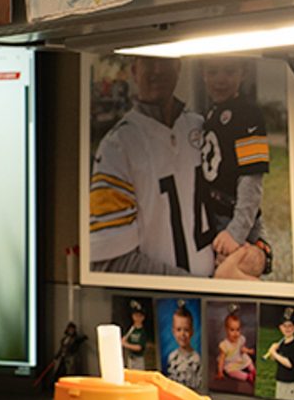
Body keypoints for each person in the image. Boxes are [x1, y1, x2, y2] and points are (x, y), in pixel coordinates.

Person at [90, 57, 243, 278]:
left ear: (179, 67)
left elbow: (233, 202)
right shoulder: (117, 146)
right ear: (134, 70)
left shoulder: (201, 126)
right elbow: (109, 261)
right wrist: (199, 289)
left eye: (165, 62)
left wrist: (257, 254)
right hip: (158, 305)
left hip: (212, 296)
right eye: (149, 63)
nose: (158, 70)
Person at [196, 57, 272, 280]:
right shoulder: (210, 113)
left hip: (237, 218)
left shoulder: (249, 115)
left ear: (243, 73)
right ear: (203, 74)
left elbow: (252, 180)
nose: (221, 79)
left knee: (238, 282)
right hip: (214, 216)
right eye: (213, 71)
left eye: (229, 71)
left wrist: (236, 232)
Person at [165, 303, 204, 389]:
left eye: (186, 330)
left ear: (192, 332)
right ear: (173, 332)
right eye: (179, 330)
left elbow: (199, 385)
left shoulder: (196, 359)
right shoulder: (172, 357)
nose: (182, 334)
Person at [215, 306, 255, 389]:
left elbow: (242, 348)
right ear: (226, 330)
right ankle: (247, 376)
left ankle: (253, 370)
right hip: (230, 361)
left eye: (238, 330)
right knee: (230, 371)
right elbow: (222, 360)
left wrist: (248, 351)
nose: (235, 333)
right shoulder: (224, 345)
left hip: (239, 357)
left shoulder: (241, 339)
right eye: (232, 330)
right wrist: (220, 372)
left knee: (247, 358)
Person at [267, 308, 294, 400]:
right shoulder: (282, 343)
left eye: (290, 326)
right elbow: (274, 359)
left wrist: (274, 354)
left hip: (290, 382)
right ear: (280, 328)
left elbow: (289, 363)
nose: (287, 328)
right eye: (284, 326)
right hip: (280, 380)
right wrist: (273, 351)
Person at [122, 299, 149, 369]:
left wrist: (126, 345)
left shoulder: (142, 331)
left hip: (138, 359)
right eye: (135, 315)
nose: (137, 318)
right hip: (130, 357)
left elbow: (139, 347)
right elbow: (124, 339)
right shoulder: (131, 329)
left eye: (139, 316)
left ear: (143, 317)